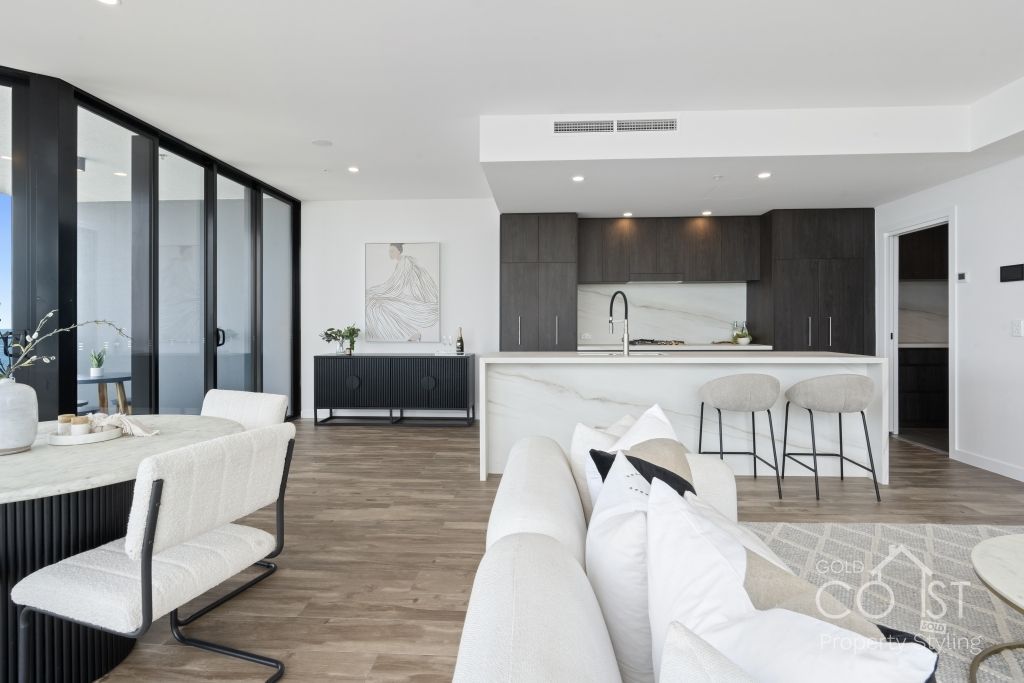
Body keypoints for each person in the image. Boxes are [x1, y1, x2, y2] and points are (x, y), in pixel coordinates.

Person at [366, 243, 439, 341]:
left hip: (422, 301)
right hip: (409, 296)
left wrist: (376, 292)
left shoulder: (405, 262)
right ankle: (411, 334)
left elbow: (396, 286)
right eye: (389, 251)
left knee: (375, 304)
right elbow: (394, 285)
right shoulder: (401, 262)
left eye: (392, 251)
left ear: (399, 251)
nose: (390, 254)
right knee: (374, 303)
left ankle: (410, 335)